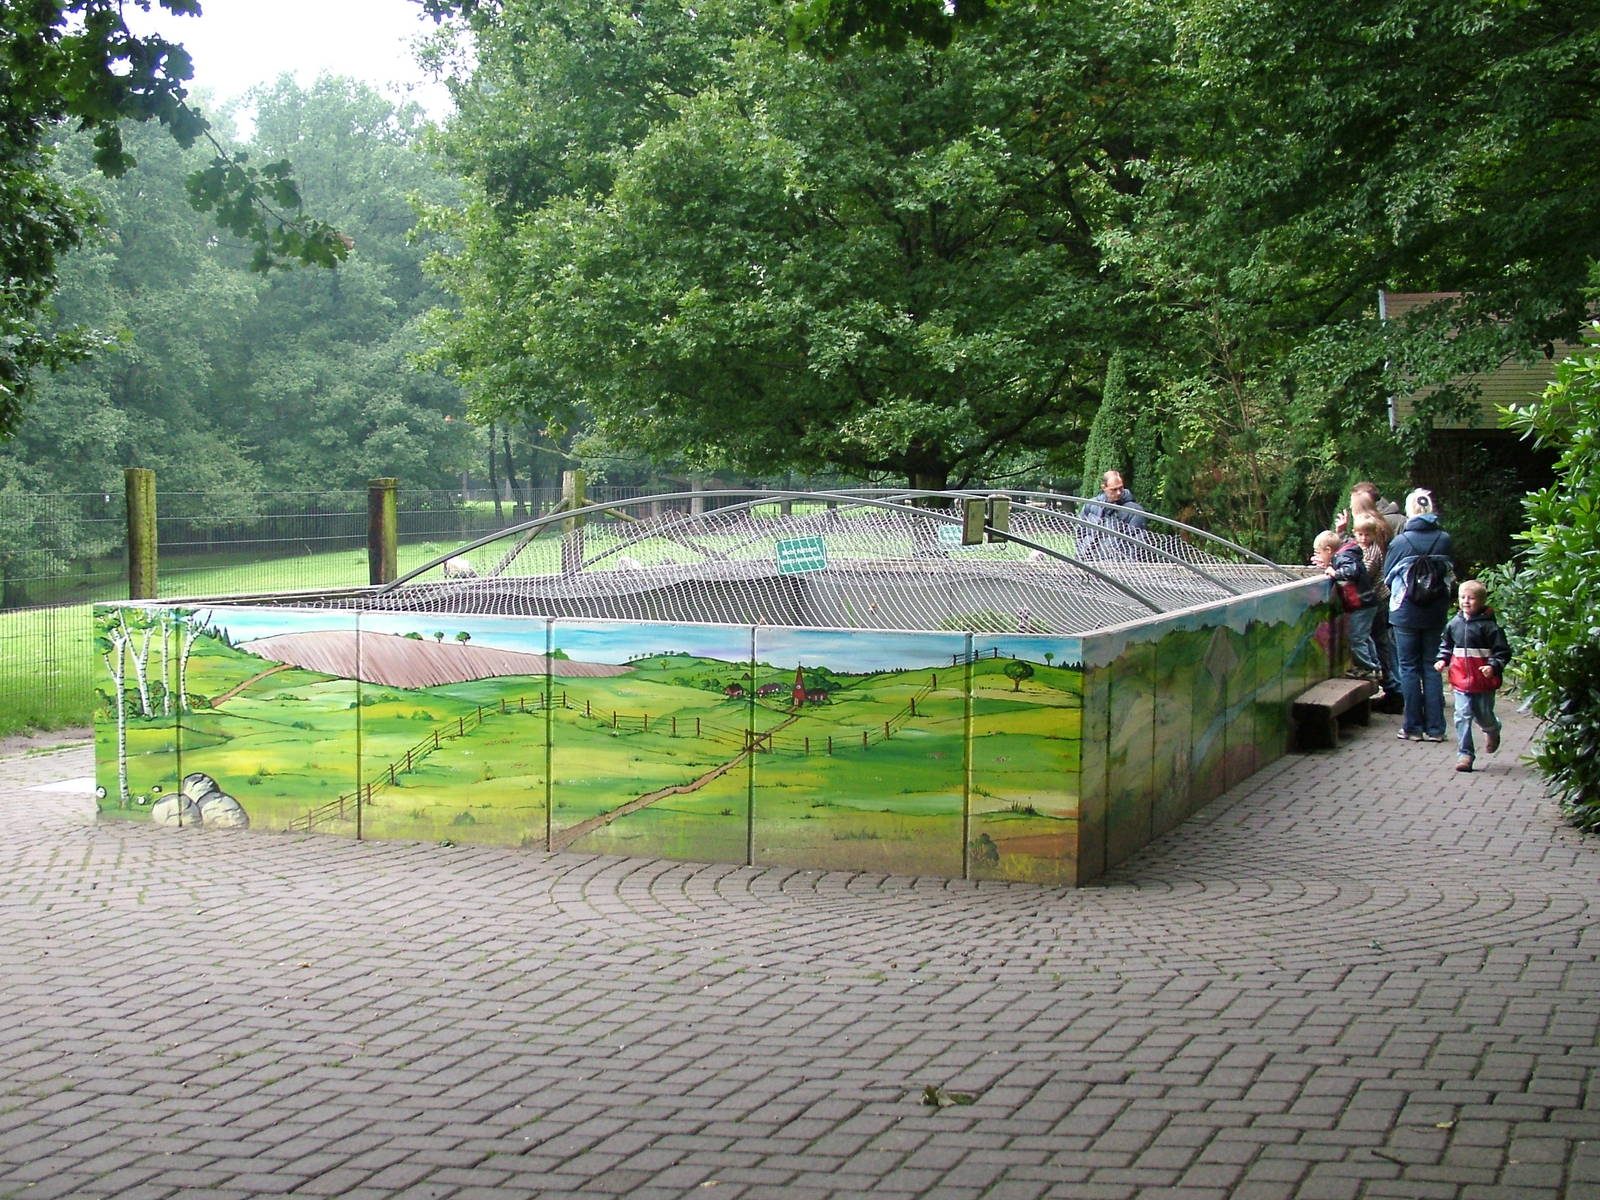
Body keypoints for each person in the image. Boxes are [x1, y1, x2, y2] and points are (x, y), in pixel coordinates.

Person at [1384, 488, 1455, 742]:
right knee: (1431, 666)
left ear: (1410, 510)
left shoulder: (1400, 542)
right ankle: (1436, 729)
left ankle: (1412, 727)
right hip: (1435, 611)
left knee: (1408, 668)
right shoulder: (1444, 539)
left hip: (1405, 612)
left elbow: (1387, 576)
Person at [1435, 580, 1512, 772]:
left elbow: (1502, 652)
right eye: (1462, 597)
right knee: (1462, 715)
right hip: (1461, 680)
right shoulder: (1454, 623)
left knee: (1483, 715)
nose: (1466, 602)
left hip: (1483, 682)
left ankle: (1492, 729)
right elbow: (1447, 645)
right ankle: (1465, 754)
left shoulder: (1490, 627)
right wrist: (1442, 660)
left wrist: (1493, 666)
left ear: (1482, 601)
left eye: (1471, 598)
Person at [1354, 512, 1401, 705]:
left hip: (1376, 600)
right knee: (1374, 638)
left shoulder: (1373, 552)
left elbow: (1362, 573)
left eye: (1368, 534)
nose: (1364, 538)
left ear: (1374, 534)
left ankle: (1388, 682)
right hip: (1371, 600)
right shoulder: (1360, 547)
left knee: (1375, 639)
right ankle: (1386, 679)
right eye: (1360, 534)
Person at [1325, 526, 1381, 681]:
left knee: (1356, 638)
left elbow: (1352, 571)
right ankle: (1374, 666)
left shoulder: (1343, 557)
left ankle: (1367, 668)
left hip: (1362, 604)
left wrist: (1334, 573)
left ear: (1329, 550)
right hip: (1366, 603)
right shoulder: (1347, 552)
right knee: (1364, 637)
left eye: (1319, 553)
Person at [1077, 469, 1149, 559]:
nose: (1118, 492)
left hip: (1116, 565)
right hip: (1089, 560)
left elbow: (1136, 545)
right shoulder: (1091, 505)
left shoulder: (1134, 511)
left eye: (1120, 488)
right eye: (1114, 489)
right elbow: (1080, 535)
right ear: (1104, 487)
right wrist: (1081, 557)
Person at [1334, 481, 1405, 539]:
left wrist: (1341, 533)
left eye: (1353, 503)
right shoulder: (1401, 519)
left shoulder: (1374, 526)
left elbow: (1359, 553)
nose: (1350, 506)